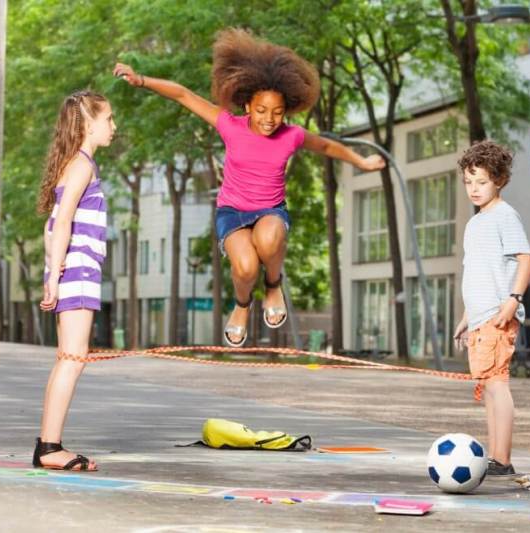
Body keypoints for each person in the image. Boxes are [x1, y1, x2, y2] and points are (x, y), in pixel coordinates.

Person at [113, 28, 385, 347]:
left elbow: (326, 146)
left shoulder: (291, 135)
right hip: (232, 212)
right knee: (244, 268)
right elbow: (184, 95)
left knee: (269, 240)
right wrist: (141, 80)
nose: (269, 119)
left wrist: (362, 161)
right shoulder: (230, 126)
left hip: (270, 210)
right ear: (247, 107)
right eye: (261, 110)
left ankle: (273, 285)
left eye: (277, 112)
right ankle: (242, 306)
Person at [33, 90, 115, 471]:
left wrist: (53, 270)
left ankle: (47, 445)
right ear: (88, 125)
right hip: (79, 270)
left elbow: (51, 226)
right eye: (108, 119)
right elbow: (62, 221)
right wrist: (54, 274)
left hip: (74, 269)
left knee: (68, 358)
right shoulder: (82, 165)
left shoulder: (75, 164)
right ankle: (50, 448)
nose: (113, 126)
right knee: (73, 359)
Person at [453, 140, 530, 477]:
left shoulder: (505, 215)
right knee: (488, 385)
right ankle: (496, 455)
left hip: (498, 315)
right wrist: (466, 317)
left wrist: (513, 300)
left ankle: (502, 458)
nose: (474, 188)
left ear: (499, 180)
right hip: (479, 318)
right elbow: (477, 274)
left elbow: (525, 259)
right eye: (468, 182)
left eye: (482, 181)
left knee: (497, 383)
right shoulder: (475, 223)